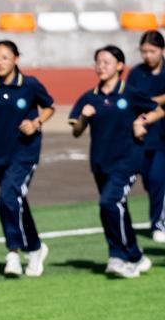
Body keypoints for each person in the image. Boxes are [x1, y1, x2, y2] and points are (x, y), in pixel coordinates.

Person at [70, 46, 162, 278]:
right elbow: (76, 131)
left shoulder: (130, 93)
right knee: (112, 209)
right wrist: (83, 118)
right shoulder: (89, 97)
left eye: (107, 62)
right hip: (101, 162)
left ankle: (122, 256)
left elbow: (158, 110)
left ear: (120, 66)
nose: (101, 66)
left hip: (127, 160)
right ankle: (133, 256)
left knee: (109, 202)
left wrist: (141, 121)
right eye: (98, 62)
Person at [0, 41, 55, 278]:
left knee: (6, 198)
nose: (0, 62)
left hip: (25, 153)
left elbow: (49, 107)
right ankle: (35, 248)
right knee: (15, 201)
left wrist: (36, 122)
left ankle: (13, 253)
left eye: (5, 57)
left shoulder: (30, 84)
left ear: (16, 59)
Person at [125, 30, 165, 242]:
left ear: (162, 50)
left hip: (163, 136)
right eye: (144, 51)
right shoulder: (136, 74)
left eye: (152, 51)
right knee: (149, 181)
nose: (148, 56)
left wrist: (149, 100)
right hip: (142, 136)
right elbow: (130, 99)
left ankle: (158, 224)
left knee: (159, 178)